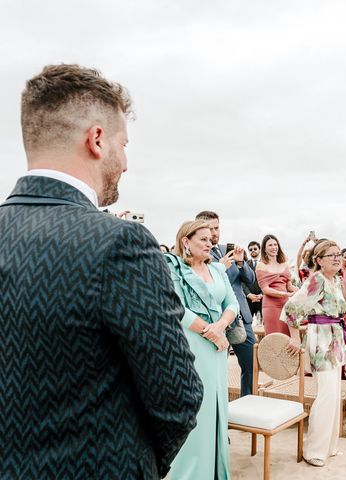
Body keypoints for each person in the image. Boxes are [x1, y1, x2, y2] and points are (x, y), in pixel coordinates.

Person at [0, 64, 203, 478]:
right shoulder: (119, 244)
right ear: (96, 139)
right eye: (123, 144)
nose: (125, 161)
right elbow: (178, 398)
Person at [166, 220, 239, 479]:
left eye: (212, 239)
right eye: (204, 239)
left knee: (217, 406)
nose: (211, 243)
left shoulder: (218, 270)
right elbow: (174, 307)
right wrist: (210, 332)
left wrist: (220, 326)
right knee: (197, 409)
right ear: (186, 241)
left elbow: (232, 303)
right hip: (191, 346)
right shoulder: (172, 268)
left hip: (217, 349)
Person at [282, 240, 346, 467]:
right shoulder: (316, 280)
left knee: (334, 392)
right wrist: (293, 336)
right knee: (326, 394)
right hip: (321, 337)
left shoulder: (335, 280)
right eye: (331, 255)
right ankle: (314, 450)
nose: (337, 258)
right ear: (318, 260)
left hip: (336, 337)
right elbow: (291, 308)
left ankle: (329, 446)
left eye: (338, 254)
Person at [195, 210, 256, 398]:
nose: (214, 233)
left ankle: (248, 404)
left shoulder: (226, 249)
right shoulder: (198, 254)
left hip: (241, 317)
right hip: (214, 320)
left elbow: (251, 280)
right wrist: (220, 267)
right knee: (215, 368)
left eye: (217, 227)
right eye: (210, 229)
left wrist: (241, 263)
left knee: (251, 364)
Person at [257, 234, 297, 335]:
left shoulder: (284, 264)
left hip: (286, 305)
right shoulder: (261, 265)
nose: (274, 247)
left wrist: (300, 290)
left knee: (287, 337)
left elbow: (289, 286)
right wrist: (284, 294)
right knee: (274, 339)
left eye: (275, 244)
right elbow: (265, 289)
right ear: (264, 249)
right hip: (271, 306)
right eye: (270, 245)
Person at [243, 240, 264, 319]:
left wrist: (262, 294)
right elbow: (242, 282)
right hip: (249, 299)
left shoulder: (265, 263)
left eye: (255, 249)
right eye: (250, 249)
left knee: (265, 325)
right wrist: (249, 294)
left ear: (259, 249)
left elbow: (268, 281)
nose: (253, 251)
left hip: (263, 298)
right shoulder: (245, 265)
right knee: (249, 324)